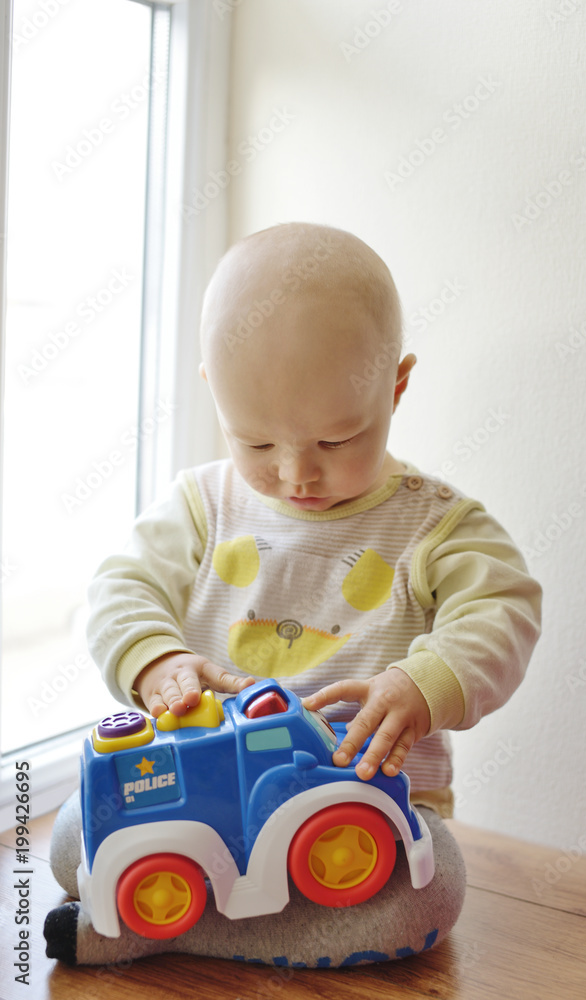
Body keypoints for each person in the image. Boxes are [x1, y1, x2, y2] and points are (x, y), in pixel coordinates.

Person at [44, 222, 541, 968]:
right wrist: (155, 661)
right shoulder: (200, 506)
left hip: (367, 810)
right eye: (255, 443)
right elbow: (121, 588)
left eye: (336, 441)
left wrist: (423, 682)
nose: (295, 474)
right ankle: (166, 914)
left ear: (395, 386)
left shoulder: (435, 525)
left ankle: (144, 926)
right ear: (215, 394)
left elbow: (503, 608)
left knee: (430, 897)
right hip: (209, 801)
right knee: (67, 835)